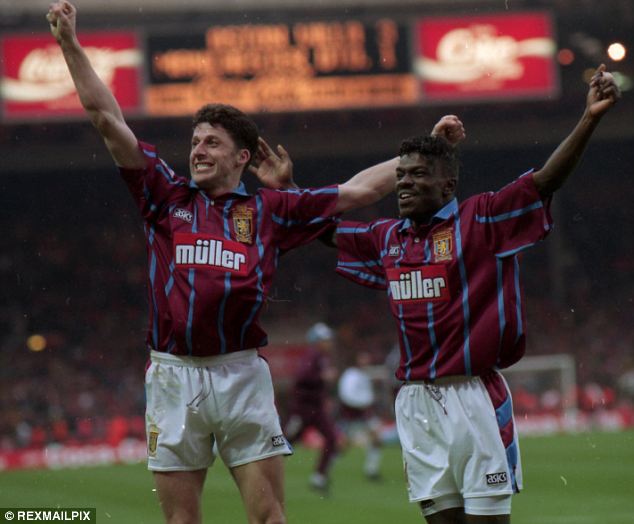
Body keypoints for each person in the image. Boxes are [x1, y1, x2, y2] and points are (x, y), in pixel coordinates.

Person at [46, 2, 464, 523]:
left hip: (242, 374)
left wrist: (427, 152)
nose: (198, 150)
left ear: (242, 157)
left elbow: (358, 191)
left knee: (269, 518)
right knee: (180, 521)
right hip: (174, 376)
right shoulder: (164, 197)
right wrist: (70, 44)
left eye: (213, 143)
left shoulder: (268, 210)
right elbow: (107, 119)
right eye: (196, 141)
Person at [267, 65, 620, 522]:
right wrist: (290, 191)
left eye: (417, 175)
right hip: (415, 402)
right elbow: (329, 233)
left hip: (472, 396)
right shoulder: (388, 237)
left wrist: (589, 118)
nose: (405, 183)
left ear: (447, 185)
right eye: (401, 176)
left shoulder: (481, 220)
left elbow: (545, 181)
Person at [284, 322, 339, 493]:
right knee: (285, 444)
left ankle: (319, 477)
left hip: (315, 409)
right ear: (318, 340)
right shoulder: (312, 356)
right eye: (326, 339)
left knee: (331, 439)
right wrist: (322, 377)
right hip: (303, 409)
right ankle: (267, 471)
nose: (329, 342)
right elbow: (302, 377)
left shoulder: (319, 356)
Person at [337, 350, 384, 481]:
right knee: (343, 444)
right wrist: (364, 402)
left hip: (364, 414)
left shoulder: (364, 375)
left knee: (376, 437)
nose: (366, 361)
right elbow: (347, 395)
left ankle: (372, 470)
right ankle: (329, 465)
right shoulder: (350, 375)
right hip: (352, 414)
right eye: (363, 358)